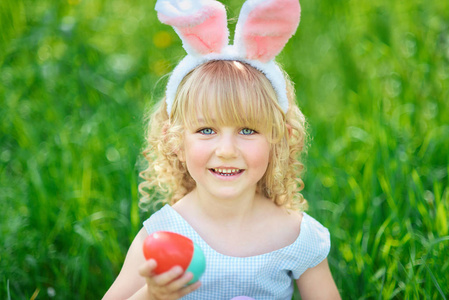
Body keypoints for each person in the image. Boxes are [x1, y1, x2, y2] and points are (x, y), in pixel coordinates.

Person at [104, 0, 341, 299]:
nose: (226, 150)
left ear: (278, 139)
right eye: (206, 130)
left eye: (247, 130)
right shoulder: (165, 234)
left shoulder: (294, 235)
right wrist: (151, 295)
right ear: (175, 141)